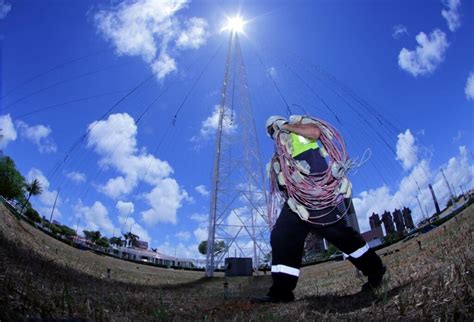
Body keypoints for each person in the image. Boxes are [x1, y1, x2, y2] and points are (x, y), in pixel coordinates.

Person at [251, 115, 386, 303]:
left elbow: (315, 132)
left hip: (315, 191)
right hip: (296, 200)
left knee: (339, 233)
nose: (273, 134)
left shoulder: (297, 129)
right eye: (270, 132)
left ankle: (375, 269)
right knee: (282, 236)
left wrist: (287, 126)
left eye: (273, 129)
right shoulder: (280, 152)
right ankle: (281, 293)